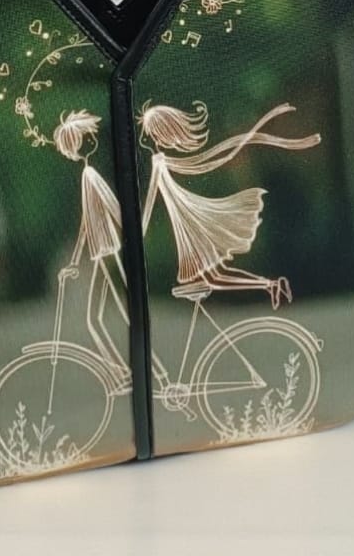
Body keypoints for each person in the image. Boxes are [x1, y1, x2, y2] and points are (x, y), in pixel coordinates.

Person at [139, 101, 321, 309]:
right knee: (213, 275)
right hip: (188, 219)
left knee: (212, 275)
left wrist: (139, 231)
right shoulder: (163, 161)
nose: (146, 137)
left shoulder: (160, 162)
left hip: (192, 219)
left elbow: (157, 194)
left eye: (149, 132)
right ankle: (269, 284)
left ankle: (269, 285)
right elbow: (206, 162)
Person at [53, 110, 129, 381]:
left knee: (101, 319)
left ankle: (139, 372)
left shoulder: (93, 177)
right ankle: (124, 370)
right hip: (103, 249)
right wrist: (75, 260)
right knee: (97, 319)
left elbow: (107, 213)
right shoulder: (90, 175)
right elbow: (88, 223)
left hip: (107, 249)